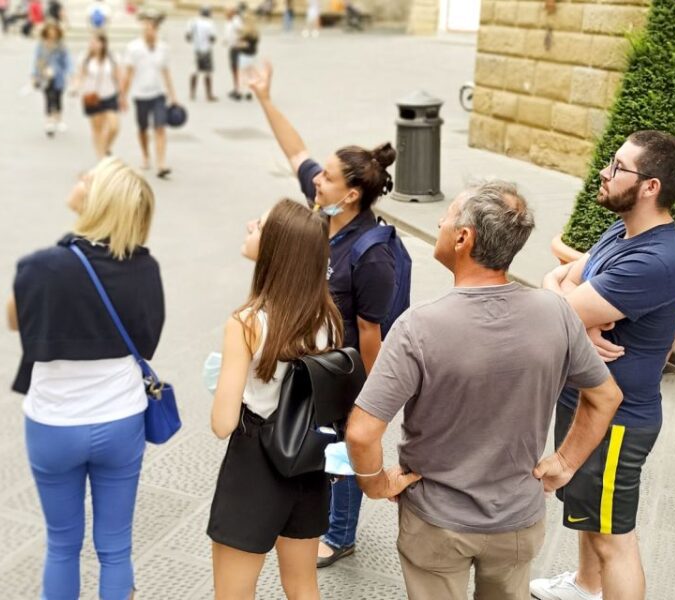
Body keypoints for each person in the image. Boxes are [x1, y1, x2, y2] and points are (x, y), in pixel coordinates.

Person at [345, 181, 624, 600]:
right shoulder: (556, 313)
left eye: (447, 216)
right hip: (517, 520)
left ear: (463, 237)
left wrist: (375, 484)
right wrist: (565, 462)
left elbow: (362, 432)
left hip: (436, 522)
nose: (439, 221)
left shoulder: (418, 327)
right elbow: (606, 396)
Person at [250, 61, 405, 569]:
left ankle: (339, 535)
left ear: (352, 193)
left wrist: (369, 399)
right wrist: (264, 97)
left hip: (348, 368)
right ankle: (317, 518)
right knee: (318, 443)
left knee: (342, 447)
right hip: (314, 362)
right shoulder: (324, 218)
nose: (317, 179)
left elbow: (371, 331)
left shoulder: (371, 252)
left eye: (329, 177)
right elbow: (295, 150)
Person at [531, 130, 675, 600]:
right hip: (588, 401)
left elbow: (554, 308)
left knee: (613, 536)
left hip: (617, 419)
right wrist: (576, 318)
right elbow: (557, 279)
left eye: (619, 166)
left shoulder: (655, 260)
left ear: (650, 187)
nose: (605, 171)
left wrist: (570, 313)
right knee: (589, 512)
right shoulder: (623, 231)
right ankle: (585, 587)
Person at [7, 157, 163, 600]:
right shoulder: (145, 269)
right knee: (115, 549)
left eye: (88, 178)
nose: (78, 178)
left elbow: (15, 321)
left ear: (100, 199)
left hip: (54, 422)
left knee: (62, 545)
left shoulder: (40, 266)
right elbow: (147, 341)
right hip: (120, 420)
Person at [208, 198, 344, 600]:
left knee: (234, 591)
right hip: (306, 461)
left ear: (276, 251)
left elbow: (223, 424)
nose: (251, 224)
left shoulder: (247, 322)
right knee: (302, 585)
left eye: (261, 225)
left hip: (255, 463)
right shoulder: (329, 319)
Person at [121, 11, 178, 179]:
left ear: (156, 29)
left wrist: (173, 95)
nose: (148, 31)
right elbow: (129, 73)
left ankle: (161, 163)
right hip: (140, 93)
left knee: (160, 127)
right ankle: (146, 155)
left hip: (158, 93)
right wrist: (123, 95)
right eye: (145, 27)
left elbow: (166, 72)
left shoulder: (163, 48)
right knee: (143, 128)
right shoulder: (133, 48)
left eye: (151, 28)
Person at [73, 32, 123, 157]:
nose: (92, 45)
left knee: (114, 126)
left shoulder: (112, 58)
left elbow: (118, 76)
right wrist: (76, 87)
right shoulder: (85, 58)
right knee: (97, 129)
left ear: (103, 44)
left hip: (109, 94)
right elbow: (80, 75)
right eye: (91, 42)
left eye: (95, 42)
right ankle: (100, 156)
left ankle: (106, 146)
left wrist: (122, 94)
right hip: (91, 96)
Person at [33, 22, 71, 137]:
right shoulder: (41, 45)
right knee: (48, 97)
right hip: (45, 75)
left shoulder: (61, 46)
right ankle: (49, 120)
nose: (52, 34)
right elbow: (37, 60)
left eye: (54, 31)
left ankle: (58, 118)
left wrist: (70, 72)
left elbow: (67, 60)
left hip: (58, 75)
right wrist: (35, 75)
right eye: (50, 31)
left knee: (58, 96)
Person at [185, 5, 218, 101]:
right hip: (206, 50)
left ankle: (192, 93)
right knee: (207, 72)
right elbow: (212, 38)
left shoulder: (192, 22)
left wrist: (195, 39)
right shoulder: (210, 23)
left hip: (195, 50)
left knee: (194, 71)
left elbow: (188, 37)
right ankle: (209, 95)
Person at [233, 14, 259, 101]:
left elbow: (244, 45)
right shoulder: (255, 33)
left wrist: (237, 45)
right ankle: (249, 92)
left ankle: (240, 92)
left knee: (242, 74)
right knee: (250, 74)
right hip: (253, 55)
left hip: (244, 55)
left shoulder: (245, 33)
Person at [223, 5, 243, 99]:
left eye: (227, 12)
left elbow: (241, 32)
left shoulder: (236, 21)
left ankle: (239, 90)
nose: (225, 14)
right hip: (232, 47)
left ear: (233, 13)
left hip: (236, 48)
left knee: (236, 69)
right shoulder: (230, 21)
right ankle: (236, 88)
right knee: (233, 68)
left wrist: (238, 41)